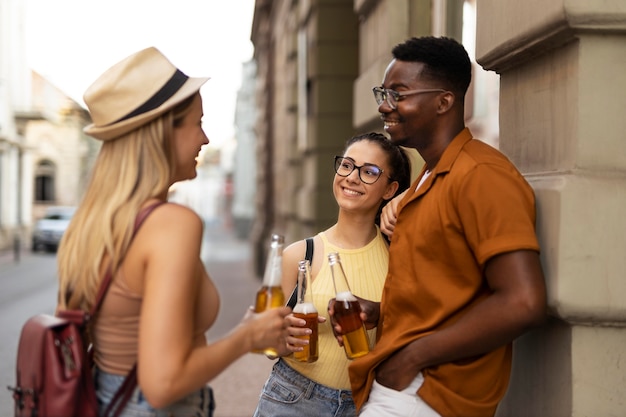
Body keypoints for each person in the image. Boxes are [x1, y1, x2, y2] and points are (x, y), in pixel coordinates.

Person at [56, 47, 290, 417]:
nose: (205, 139)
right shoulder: (171, 224)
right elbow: (163, 384)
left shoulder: (92, 223)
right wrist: (248, 337)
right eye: (197, 122)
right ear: (164, 131)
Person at [340, 36, 548, 417]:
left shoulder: (483, 175)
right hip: (404, 387)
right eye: (383, 93)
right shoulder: (431, 175)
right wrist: (382, 310)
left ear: (444, 101)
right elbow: (447, 289)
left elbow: (523, 302)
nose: (385, 105)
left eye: (399, 93)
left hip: (428, 392)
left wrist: (413, 357)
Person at [253, 132, 411, 417]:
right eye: (347, 165)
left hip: (368, 404)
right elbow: (267, 346)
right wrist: (278, 340)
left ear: (390, 189)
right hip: (294, 399)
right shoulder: (299, 255)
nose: (351, 177)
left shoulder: (399, 258)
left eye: (369, 172)